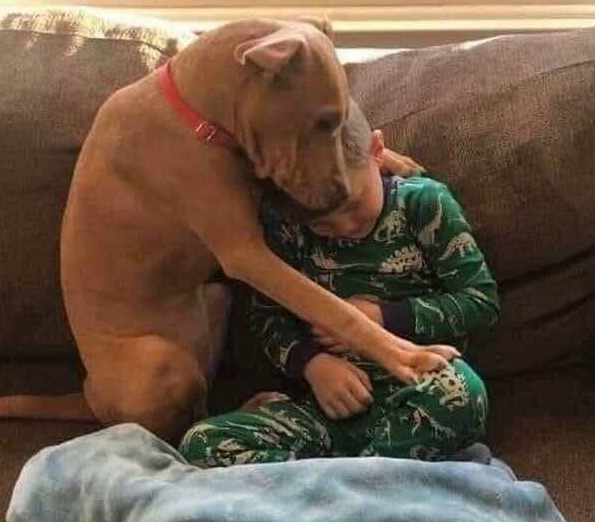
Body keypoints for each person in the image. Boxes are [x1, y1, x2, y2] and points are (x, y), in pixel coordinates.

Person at [179, 105, 500, 466]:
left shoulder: (424, 204)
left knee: (463, 392)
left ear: (377, 152)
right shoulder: (287, 224)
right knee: (201, 442)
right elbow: (267, 317)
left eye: (353, 205)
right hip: (325, 411)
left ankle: (340, 482)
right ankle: (360, 483)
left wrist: (381, 317)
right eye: (322, 225)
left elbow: (480, 302)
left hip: (415, 398)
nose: (345, 227)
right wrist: (313, 365)